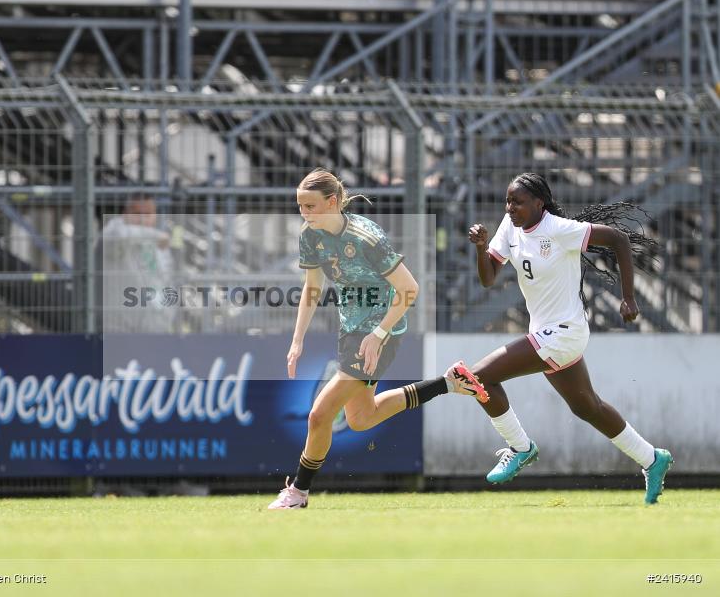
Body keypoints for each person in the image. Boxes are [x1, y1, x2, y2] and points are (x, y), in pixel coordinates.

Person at [268, 168, 488, 509]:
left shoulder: (366, 238)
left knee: (319, 415)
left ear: (333, 201)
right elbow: (313, 287)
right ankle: (448, 383)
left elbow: (409, 289)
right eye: (300, 206)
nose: (305, 213)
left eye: (311, 206)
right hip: (351, 329)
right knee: (361, 418)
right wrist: (297, 340)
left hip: (382, 331)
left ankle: (298, 491)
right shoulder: (310, 235)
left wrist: (378, 334)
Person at [466, 172, 672, 504]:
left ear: (539, 203)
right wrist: (480, 249)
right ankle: (652, 458)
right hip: (548, 335)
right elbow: (489, 278)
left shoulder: (559, 230)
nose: (510, 207)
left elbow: (619, 239)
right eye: (507, 201)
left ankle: (521, 448)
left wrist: (629, 297)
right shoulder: (510, 227)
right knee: (587, 407)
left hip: (563, 334)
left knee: (478, 378)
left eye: (517, 202)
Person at [98, 194, 176, 334]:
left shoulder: (157, 244)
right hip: (116, 327)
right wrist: (155, 236)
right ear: (125, 214)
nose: (142, 219)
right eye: (137, 213)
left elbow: (165, 281)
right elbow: (119, 237)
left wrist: (166, 314)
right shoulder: (113, 232)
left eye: (148, 214)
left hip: (151, 326)